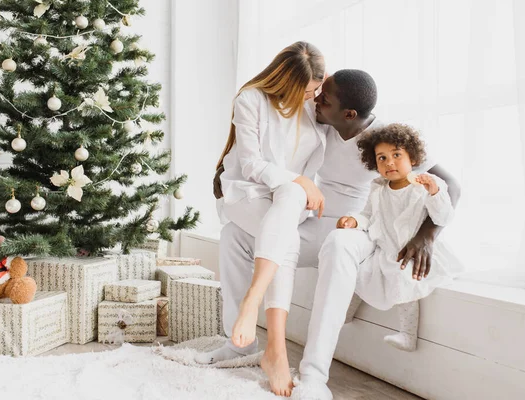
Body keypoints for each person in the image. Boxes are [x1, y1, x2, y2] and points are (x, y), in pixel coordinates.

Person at [210, 70, 461, 400]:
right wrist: (227, 173)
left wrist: (427, 236)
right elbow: (262, 145)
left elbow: (450, 185)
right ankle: (240, 344)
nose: (316, 100)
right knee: (235, 235)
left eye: (324, 98)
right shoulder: (318, 122)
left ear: (349, 114)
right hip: (314, 221)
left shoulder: (384, 138)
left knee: (338, 243)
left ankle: (314, 375)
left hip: (361, 228)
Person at [195, 41, 326, 398]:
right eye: (310, 89)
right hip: (246, 193)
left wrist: (299, 187)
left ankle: (241, 343)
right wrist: (298, 181)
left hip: (285, 204)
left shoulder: (315, 108)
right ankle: (276, 350)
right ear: (289, 82)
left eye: (317, 89)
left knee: (236, 239)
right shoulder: (251, 99)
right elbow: (251, 165)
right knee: (287, 229)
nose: (314, 95)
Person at [335, 123, 464, 353]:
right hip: (385, 247)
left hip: (409, 252)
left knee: (404, 277)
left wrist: (435, 192)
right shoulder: (378, 188)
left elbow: (443, 216)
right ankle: (342, 315)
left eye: (396, 155)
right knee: (359, 274)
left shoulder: (423, 186)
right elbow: (368, 215)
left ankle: (407, 334)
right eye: (382, 158)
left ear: (412, 158)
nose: (389, 162)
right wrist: (354, 221)